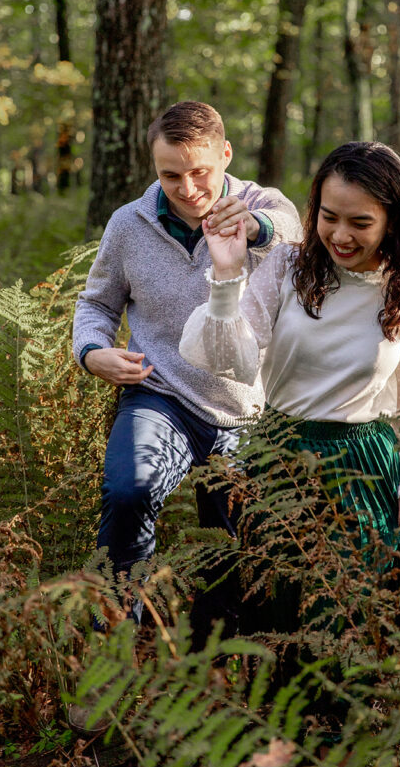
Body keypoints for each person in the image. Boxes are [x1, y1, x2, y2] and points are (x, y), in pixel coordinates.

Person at [71, 102, 301, 663]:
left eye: (200, 171)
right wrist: (93, 351)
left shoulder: (264, 206)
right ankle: (112, 649)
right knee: (131, 490)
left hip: (247, 409)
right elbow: (96, 302)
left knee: (230, 548)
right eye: (170, 174)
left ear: (225, 154)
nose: (187, 187)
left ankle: (215, 665)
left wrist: (253, 226)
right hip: (161, 392)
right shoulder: (130, 223)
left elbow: (288, 229)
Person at [179, 140, 400, 558]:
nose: (340, 236)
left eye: (360, 222)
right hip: (279, 455)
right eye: (329, 217)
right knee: (276, 600)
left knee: (350, 609)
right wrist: (227, 270)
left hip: (363, 463)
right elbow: (228, 360)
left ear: (392, 222)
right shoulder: (288, 269)